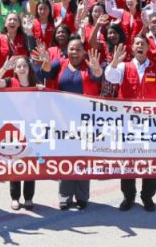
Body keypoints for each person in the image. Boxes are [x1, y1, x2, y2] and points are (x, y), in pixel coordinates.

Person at [105, 35, 156, 211]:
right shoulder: (123, 66)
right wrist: (114, 61)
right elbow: (111, 77)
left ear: (148, 48)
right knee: (128, 160)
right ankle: (128, 197)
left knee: (150, 161)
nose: (139, 46)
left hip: (151, 123)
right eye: (137, 43)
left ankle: (147, 197)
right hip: (128, 123)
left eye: (143, 44)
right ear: (132, 47)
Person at [35, 36, 104, 209]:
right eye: (72, 49)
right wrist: (45, 62)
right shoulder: (61, 63)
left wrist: (96, 69)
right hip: (63, 120)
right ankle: (65, 196)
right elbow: (45, 73)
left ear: (84, 52)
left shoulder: (90, 65)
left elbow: (97, 78)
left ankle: (82, 197)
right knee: (66, 159)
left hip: (85, 121)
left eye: (78, 49)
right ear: (68, 51)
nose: (75, 52)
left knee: (82, 159)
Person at [0, 53, 42, 210]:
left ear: (29, 68)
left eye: (24, 66)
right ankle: (15, 197)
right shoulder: (10, 81)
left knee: (29, 163)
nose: (21, 69)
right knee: (14, 161)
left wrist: (42, 90)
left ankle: (28, 197)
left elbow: (45, 102)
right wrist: (4, 68)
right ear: (15, 69)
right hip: (13, 130)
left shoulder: (35, 83)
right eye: (18, 66)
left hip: (30, 129)